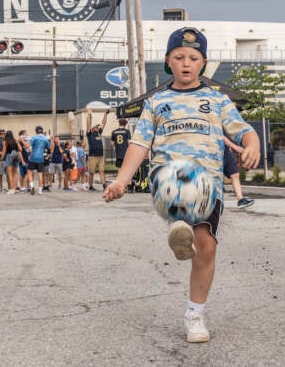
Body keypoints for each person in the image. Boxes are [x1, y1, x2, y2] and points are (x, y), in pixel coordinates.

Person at [103, 27, 260, 343]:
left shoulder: (216, 100)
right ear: (167, 61)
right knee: (180, 189)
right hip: (167, 178)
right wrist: (121, 180)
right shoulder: (157, 102)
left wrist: (252, 142)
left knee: (208, 248)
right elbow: (139, 145)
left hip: (210, 184)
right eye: (179, 57)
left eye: (193, 57)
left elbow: (243, 130)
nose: (186, 63)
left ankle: (195, 314)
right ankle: (179, 221)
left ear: (203, 62)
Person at [223, 136, 255, 208]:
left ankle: (241, 200)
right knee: (215, 177)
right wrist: (235, 147)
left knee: (235, 175)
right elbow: (218, 134)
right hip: (213, 150)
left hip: (226, 150)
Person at [86, 108, 109, 190]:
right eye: (96, 126)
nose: (97, 127)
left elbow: (103, 123)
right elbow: (88, 125)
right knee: (91, 172)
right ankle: (91, 186)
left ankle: (104, 185)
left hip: (100, 156)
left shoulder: (99, 133)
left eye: (97, 127)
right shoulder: (89, 134)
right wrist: (89, 114)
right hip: (93, 156)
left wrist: (105, 114)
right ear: (92, 128)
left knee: (102, 171)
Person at [27, 126, 51, 195]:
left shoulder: (34, 137)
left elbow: (28, 146)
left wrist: (22, 141)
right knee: (40, 175)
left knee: (29, 172)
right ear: (42, 131)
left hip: (33, 158)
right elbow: (49, 148)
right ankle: (40, 191)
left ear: (36, 131)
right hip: (40, 159)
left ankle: (32, 186)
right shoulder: (45, 139)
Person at [2, 130, 25, 195]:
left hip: (9, 156)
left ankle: (12, 189)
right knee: (15, 174)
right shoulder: (15, 140)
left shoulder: (5, 141)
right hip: (16, 156)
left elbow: (4, 151)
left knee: (10, 174)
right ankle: (14, 188)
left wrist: (1, 158)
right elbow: (20, 149)